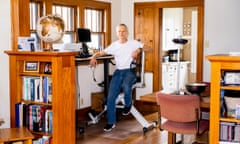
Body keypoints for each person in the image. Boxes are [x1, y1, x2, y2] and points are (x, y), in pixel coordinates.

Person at [90, 23, 149, 132]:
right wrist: (94, 56)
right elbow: (102, 52)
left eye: (123, 31)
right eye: (119, 31)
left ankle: (128, 104)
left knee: (126, 86)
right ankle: (111, 122)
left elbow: (148, 48)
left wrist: (138, 50)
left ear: (127, 32)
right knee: (111, 97)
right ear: (117, 33)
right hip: (118, 72)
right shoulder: (114, 45)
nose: (121, 33)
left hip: (129, 71)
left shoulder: (133, 43)